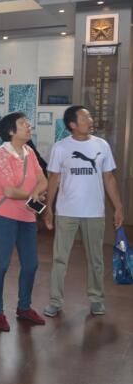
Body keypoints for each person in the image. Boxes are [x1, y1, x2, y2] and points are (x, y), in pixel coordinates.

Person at [43, 106, 124, 317]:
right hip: (66, 211)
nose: (90, 120)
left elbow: (109, 178)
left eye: (89, 117)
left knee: (95, 258)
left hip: (94, 211)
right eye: (85, 118)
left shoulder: (102, 145)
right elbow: (54, 179)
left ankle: (96, 298)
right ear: (72, 124)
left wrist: (118, 207)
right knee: (60, 258)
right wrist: (49, 208)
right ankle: (55, 300)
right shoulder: (60, 147)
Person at [0, 112, 48, 332]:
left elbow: (43, 179)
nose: (28, 126)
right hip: (5, 215)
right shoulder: (1, 154)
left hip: (27, 216)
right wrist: (34, 196)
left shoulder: (29, 152)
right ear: (11, 131)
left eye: (28, 123)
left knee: (31, 264)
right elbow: (9, 191)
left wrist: (35, 194)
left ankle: (24, 307)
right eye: (23, 124)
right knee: (2, 264)